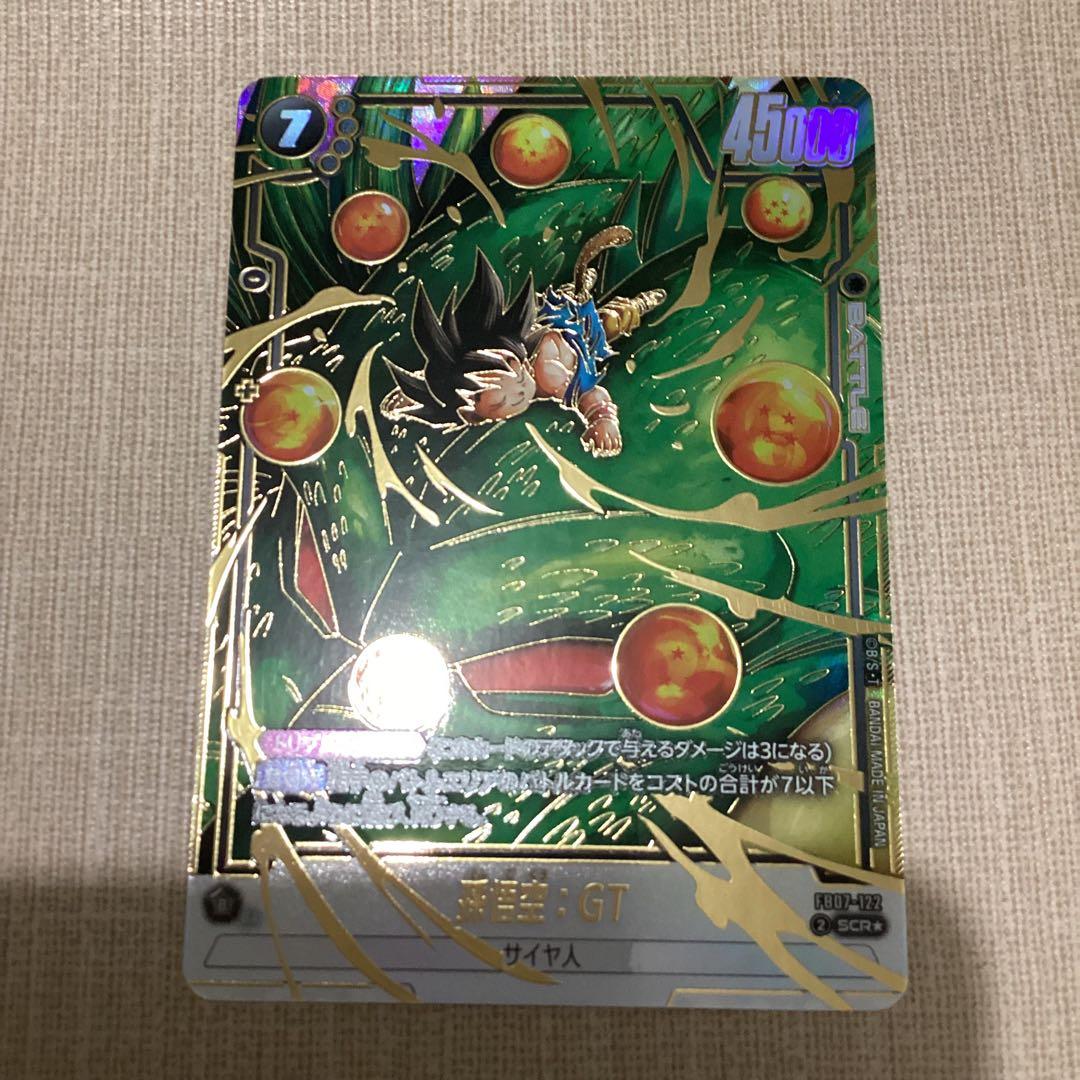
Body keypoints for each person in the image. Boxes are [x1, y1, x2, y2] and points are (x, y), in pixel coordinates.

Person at [380, 226, 665, 457]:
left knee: (611, 320)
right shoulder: (474, 389)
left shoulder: (550, 375)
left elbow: (590, 394)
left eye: (515, 386)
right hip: (558, 326)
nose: (518, 397)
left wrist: (603, 419)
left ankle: (636, 302)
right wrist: (421, 390)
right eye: (500, 405)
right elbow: (457, 377)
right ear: (476, 415)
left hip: (577, 331)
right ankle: (593, 289)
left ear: (517, 362)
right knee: (597, 313)